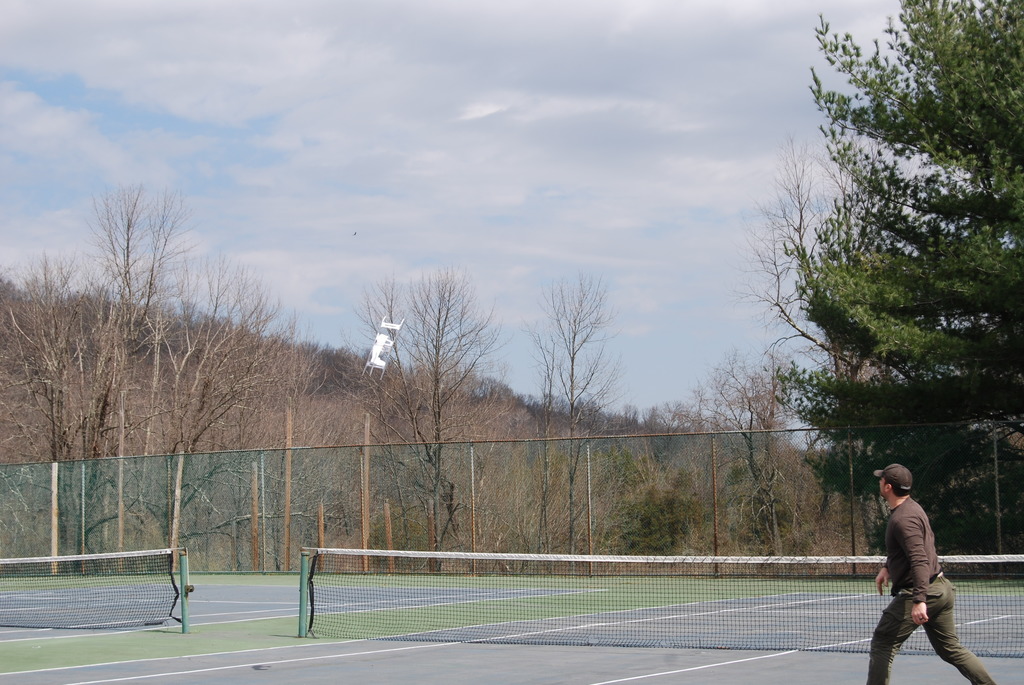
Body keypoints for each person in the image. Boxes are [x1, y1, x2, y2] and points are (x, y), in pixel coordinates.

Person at [867, 463, 997, 684]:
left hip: (924, 592)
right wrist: (888, 567)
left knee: (883, 642)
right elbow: (914, 550)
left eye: (881, 479)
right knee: (950, 649)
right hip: (941, 587)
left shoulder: (903, 519)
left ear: (888, 486)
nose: (878, 481)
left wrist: (919, 600)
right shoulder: (912, 508)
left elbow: (919, 559)